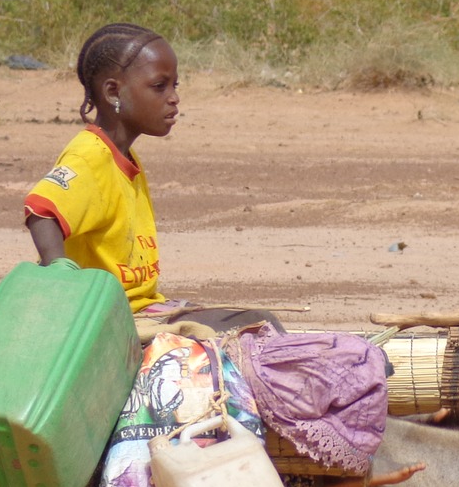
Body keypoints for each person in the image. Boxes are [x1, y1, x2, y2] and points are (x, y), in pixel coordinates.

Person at [23, 23, 278, 332]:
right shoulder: (90, 156)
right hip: (113, 319)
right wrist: (60, 278)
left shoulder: (126, 158)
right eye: (160, 86)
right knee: (258, 325)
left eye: (175, 85)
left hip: (144, 307)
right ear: (113, 91)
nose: (174, 98)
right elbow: (42, 210)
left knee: (255, 321)